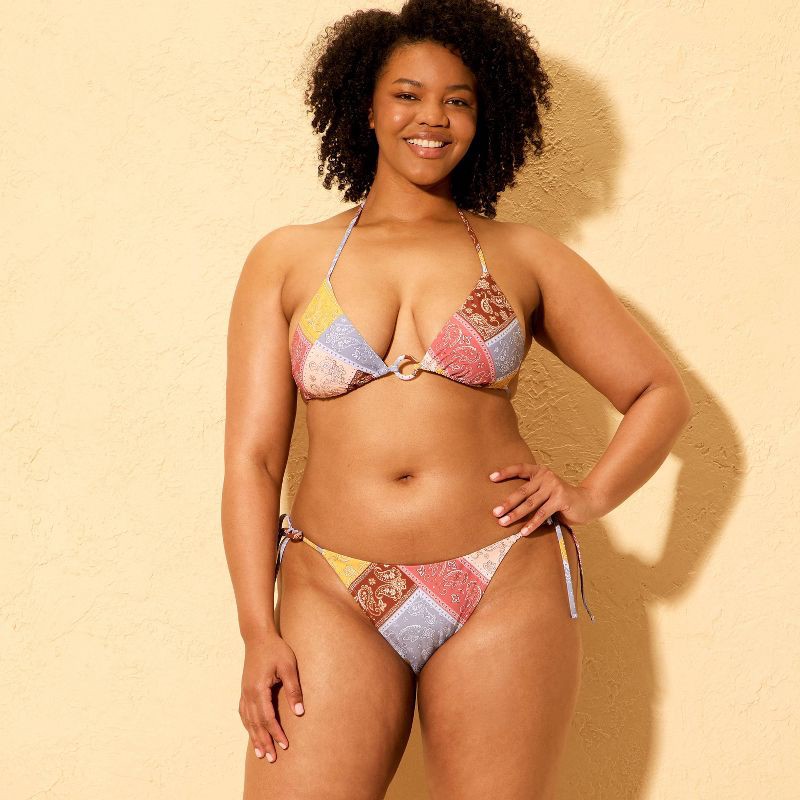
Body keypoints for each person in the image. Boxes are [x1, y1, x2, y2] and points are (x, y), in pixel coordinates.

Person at [221, 1, 692, 797]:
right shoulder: (287, 259)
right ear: (367, 108)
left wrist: (589, 495)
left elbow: (658, 392)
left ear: (485, 116)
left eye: (458, 100)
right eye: (407, 95)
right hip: (331, 587)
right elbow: (253, 461)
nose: (432, 118)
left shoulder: (524, 256)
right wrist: (255, 630)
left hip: (503, 579)